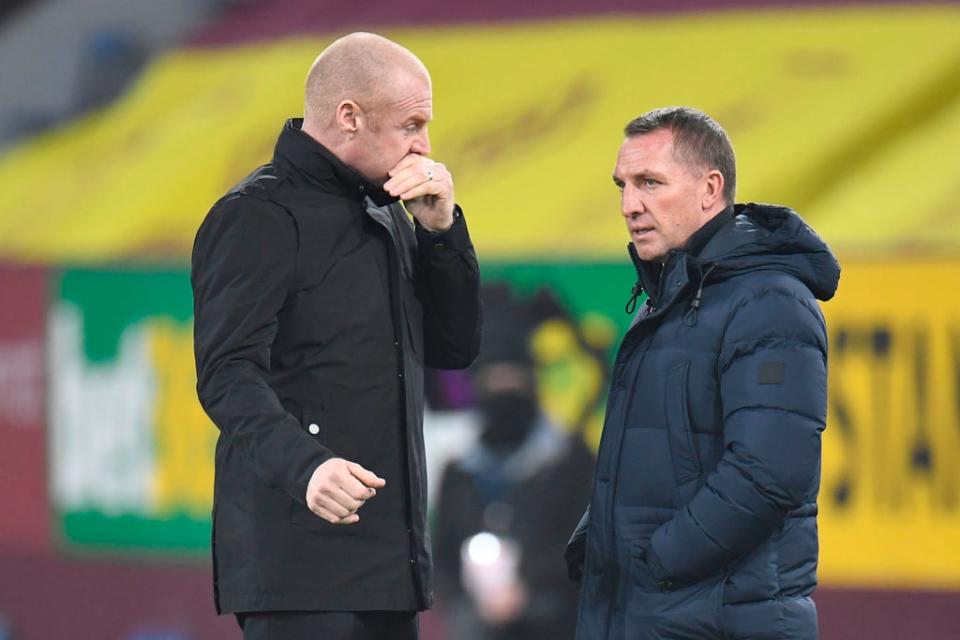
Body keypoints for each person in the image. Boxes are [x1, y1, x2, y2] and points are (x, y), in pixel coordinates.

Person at [191, 32, 481, 640]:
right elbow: (225, 373)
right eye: (412, 124)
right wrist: (307, 468)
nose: (425, 146)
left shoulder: (386, 212)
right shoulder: (256, 215)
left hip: (390, 567)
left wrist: (441, 232)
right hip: (299, 567)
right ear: (349, 116)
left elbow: (453, 351)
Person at [565, 107, 840, 640]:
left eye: (650, 183)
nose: (629, 205)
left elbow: (770, 472)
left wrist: (658, 560)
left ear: (710, 189)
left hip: (716, 618)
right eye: (622, 185)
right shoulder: (671, 300)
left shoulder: (770, 301)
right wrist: (598, 539)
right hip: (655, 613)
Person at [433, 284, 594, 640]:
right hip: (475, 622)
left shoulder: (570, 459)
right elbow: (442, 553)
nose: (504, 389)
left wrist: (526, 585)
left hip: (555, 620)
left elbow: (589, 549)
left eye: (514, 379)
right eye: (494, 381)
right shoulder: (459, 469)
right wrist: (473, 592)